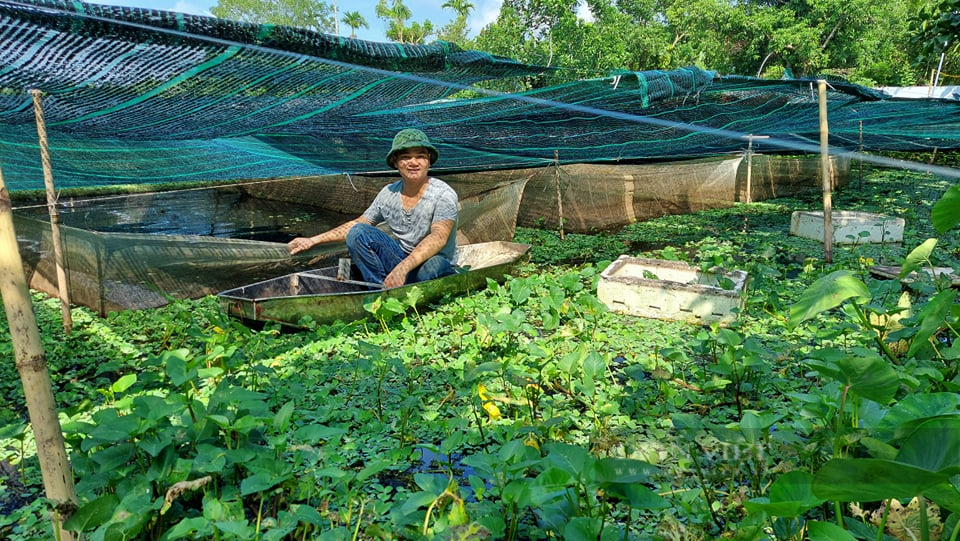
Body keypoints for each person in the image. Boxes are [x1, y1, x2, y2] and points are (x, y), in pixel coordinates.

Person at [288, 128, 459, 288]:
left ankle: (401, 283)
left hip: (432, 262)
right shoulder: (388, 193)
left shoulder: (443, 194)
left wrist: (403, 268)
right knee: (358, 232)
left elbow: (439, 237)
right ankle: (378, 288)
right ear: (396, 162)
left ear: (428, 160)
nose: (413, 162)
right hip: (400, 258)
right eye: (406, 157)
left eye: (420, 156)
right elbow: (357, 224)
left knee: (434, 266)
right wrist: (312, 240)